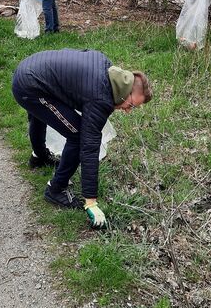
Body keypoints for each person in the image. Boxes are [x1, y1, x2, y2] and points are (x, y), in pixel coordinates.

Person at [12, 49, 152, 228]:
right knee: (77, 136)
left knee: (41, 113)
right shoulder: (100, 99)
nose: (127, 110)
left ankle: (39, 157)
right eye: (130, 105)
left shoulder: (106, 66)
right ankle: (56, 189)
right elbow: (89, 147)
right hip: (29, 86)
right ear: (124, 92)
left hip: (30, 68)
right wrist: (91, 201)